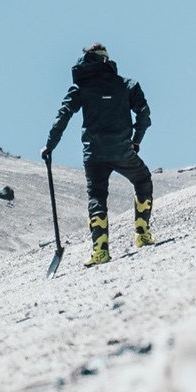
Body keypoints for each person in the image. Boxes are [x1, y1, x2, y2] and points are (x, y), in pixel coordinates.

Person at [42, 43, 154, 266]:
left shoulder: (80, 87)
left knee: (97, 196)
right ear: (107, 60)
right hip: (122, 150)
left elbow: (63, 115)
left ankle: (100, 250)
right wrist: (136, 141)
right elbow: (144, 114)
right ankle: (142, 234)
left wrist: (49, 146)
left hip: (93, 154)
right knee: (142, 180)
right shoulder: (128, 85)